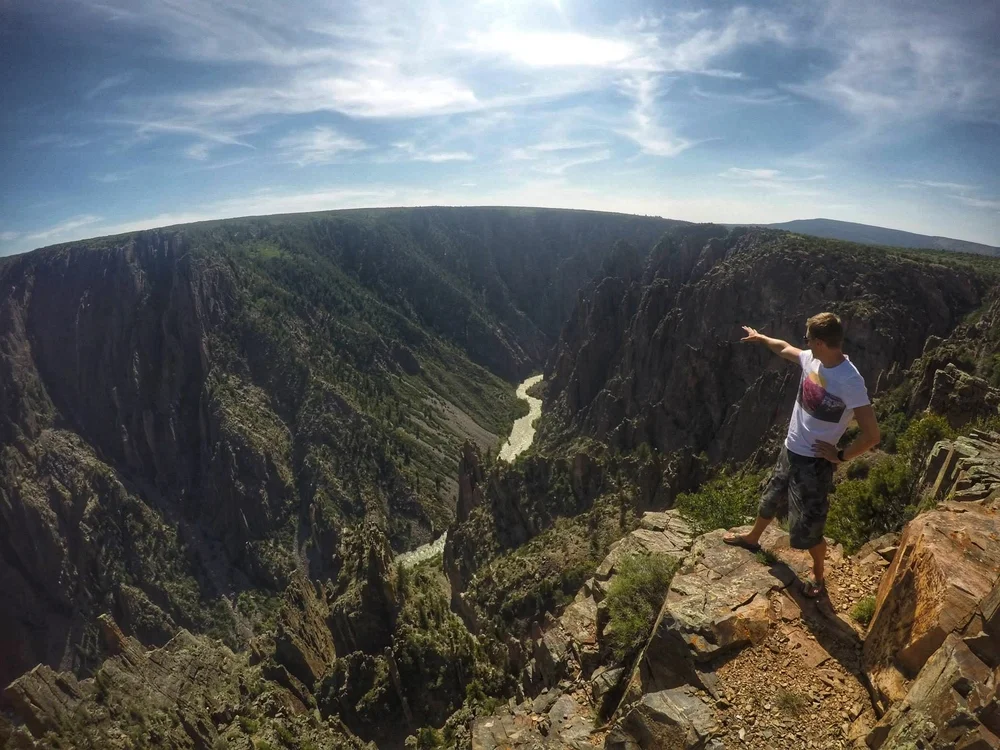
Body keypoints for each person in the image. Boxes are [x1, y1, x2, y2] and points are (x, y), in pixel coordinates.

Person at [723, 312, 880, 598]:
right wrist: (761, 338)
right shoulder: (812, 359)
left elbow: (872, 435)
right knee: (769, 499)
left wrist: (841, 456)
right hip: (790, 449)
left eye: (807, 338)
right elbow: (784, 348)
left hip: (814, 464)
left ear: (820, 342)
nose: (804, 342)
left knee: (807, 528)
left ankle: (818, 575)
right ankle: (753, 538)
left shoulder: (850, 381)